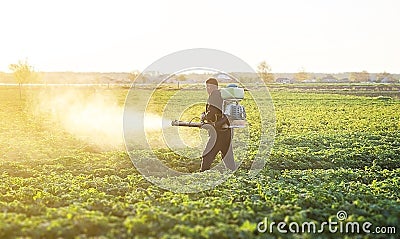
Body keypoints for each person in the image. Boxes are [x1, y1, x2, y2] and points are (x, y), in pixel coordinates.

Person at [200, 78, 236, 171]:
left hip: (218, 133)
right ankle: (233, 174)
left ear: (212, 87)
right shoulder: (222, 95)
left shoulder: (214, 95)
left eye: (208, 86)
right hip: (227, 131)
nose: (207, 89)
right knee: (228, 157)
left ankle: (202, 175)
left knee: (207, 155)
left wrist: (204, 116)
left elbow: (211, 113)